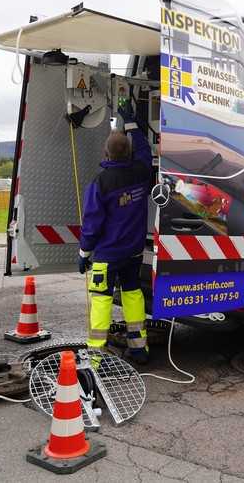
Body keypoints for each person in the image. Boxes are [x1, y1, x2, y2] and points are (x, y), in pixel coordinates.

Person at [78, 106, 152, 364]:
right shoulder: (142, 173)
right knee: (133, 294)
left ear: (106, 152)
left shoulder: (101, 183)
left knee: (101, 300)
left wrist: (84, 252)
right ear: (129, 152)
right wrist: (132, 124)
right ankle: (139, 348)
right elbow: (145, 151)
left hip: (106, 255)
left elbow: (92, 224)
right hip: (133, 252)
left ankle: (95, 358)